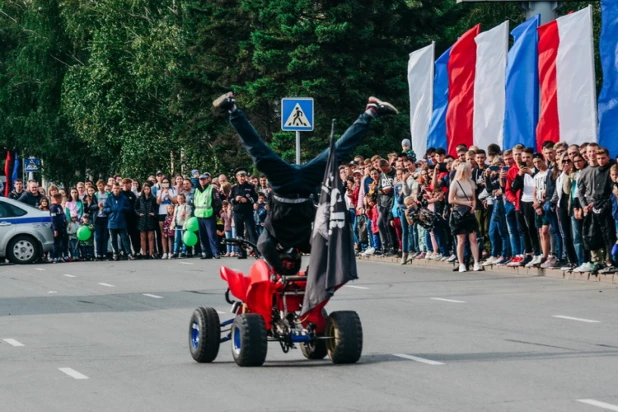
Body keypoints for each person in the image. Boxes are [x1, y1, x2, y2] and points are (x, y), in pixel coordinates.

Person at [214, 92, 398, 274]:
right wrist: (312, 272)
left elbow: (263, 247)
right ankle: (370, 111)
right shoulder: (304, 243)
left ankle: (232, 108)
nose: (287, 258)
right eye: (290, 261)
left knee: (257, 150)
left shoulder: (270, 242)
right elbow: (326, 250)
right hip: (305, 185)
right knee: (338, 153)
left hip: (283, 184)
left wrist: (279, 270)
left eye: (283, 260)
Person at [448, 162, 482, 272]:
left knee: (473, 238)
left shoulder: (470, 182)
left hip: (469, 212)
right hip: (459, 213)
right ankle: (461, 263)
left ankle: (476, 262)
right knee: (461, 240)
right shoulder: (455, 183)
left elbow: (473, 198)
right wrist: (465, 204)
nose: (471, 171)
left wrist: (473, 207)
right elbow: (451, 200)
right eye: (469, 169)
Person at [229, 167, 260, 259]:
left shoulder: (250, 187)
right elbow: (229, 199)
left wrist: (246, 200)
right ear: (236, 177)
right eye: (240, 176)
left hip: (248, 213)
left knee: (251, 233)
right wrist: (235, 199)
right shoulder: (234, 188)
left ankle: (256, 252)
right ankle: (241, 253)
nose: (242, 178)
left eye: (243, 176)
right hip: (237, 213)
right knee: (239, 234)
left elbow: (255, 198)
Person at [194, 172, 222, 259]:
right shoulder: (197, 190)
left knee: (212, 235)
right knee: (202, 236)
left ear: (207, 180)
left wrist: (214, 212)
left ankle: (216, 252)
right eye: (200, 179)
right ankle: (207, 253)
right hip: (199, 215)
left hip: (209, 215)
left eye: (204, 179)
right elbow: (194, 202)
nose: (202, 181)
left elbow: (218, 202)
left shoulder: (212, 189)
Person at [104, 183, 135, 261]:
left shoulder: (124, 198)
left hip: (122, 221)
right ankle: (115, 253)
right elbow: (105, 209)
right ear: (112, 189)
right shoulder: (109, 198)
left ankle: (129, 253)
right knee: (113, 239)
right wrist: (110, 209)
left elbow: (129, 208)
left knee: (125, 238)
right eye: (114, 188)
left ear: (120, 189)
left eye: (117, 188)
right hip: (112, 221)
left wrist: (123, 208)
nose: (116, 190)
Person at [135, 184, 158, 259]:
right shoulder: (139, 198)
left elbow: (156, 207)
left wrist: (154, 213)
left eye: (148, 189)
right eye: (145, 189)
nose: (146, 190)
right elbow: (135, 208)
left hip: (150, 219)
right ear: (143, 190)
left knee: (151, 237)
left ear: (150, 190)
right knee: (143, 237)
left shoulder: (153, 198)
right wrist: (139, 214)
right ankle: (144, 253)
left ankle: (151, 253)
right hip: (142, 219)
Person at [156, 176, 177, 259]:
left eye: (166, 182)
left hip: (171, 213)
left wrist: (169, 195)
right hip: (162, 213)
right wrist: (161, 192)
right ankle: (164, 252)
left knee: (170, 234)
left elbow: (175, 201)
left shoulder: (173, 190)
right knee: (163, 234)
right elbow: (158, 202)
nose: (165, 184)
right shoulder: (158, 191)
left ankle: (170, 252)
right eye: (163, 182)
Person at [50, 194, 67, 264]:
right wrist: (55, 229)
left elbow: (62, 215)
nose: (61, 201)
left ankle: (63, 255)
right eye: (60, 199)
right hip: (57, 227)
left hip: (62, 226)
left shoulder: (59, 206)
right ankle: (55, 257)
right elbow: (53, 219)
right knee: (56, 243)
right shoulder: (53, 207)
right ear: (57, 199)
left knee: (63, 242)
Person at [172, 193, 190, 258]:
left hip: (183, 225)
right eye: (179, 198)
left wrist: (185, 225)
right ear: (177, 199)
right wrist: (172, 224)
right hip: (177, 225)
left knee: (183, 239)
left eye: (181, 198)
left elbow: (188, 216)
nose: (180, 200)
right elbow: (174, 216)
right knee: (176, 239)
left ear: (184, 199)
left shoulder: (187, 207)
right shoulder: (176, 207)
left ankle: (183, 251)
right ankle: (175, 252)